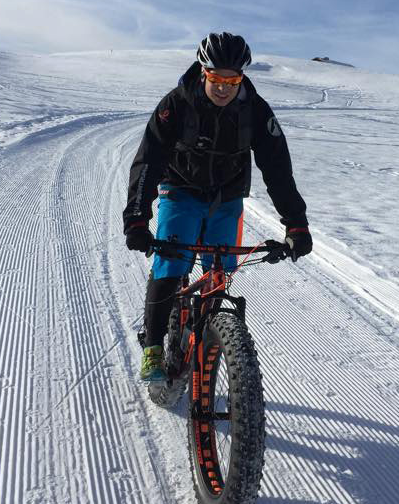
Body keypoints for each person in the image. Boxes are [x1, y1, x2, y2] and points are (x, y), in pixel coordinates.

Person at [124, 32, 312, 382]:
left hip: (227, 198)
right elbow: (148, 161)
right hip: (179, 190)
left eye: (232, 79)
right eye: (216, 78)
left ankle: (213, 332)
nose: (224, 87)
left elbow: (277, 168)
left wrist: (296, 224)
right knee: (171, 260)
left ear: (241, 77)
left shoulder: (255, 111)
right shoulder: (175, 105)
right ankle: (152, 347)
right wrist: (137, 218)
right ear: (203, 71)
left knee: (221, 266)